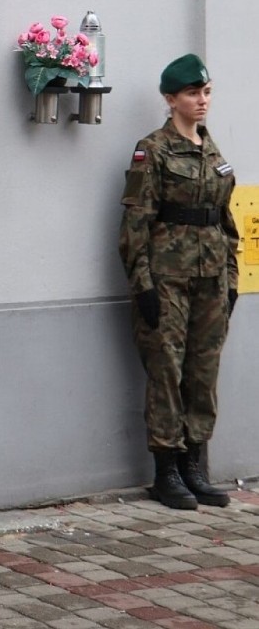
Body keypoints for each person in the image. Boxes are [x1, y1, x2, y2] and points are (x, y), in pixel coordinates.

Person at [119, 54, 238, 510]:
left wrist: (230, 281)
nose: (202, 101)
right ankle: (166, 471)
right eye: (192, 93)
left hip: (210, 280)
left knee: (203, 372)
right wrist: (144, 286)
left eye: (206, 92)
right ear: (170, 99)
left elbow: (225, 224)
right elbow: (135, 225)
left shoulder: (214, 153)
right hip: (167, 281)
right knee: (167, 371)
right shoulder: (154, 151)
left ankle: (194, 466)